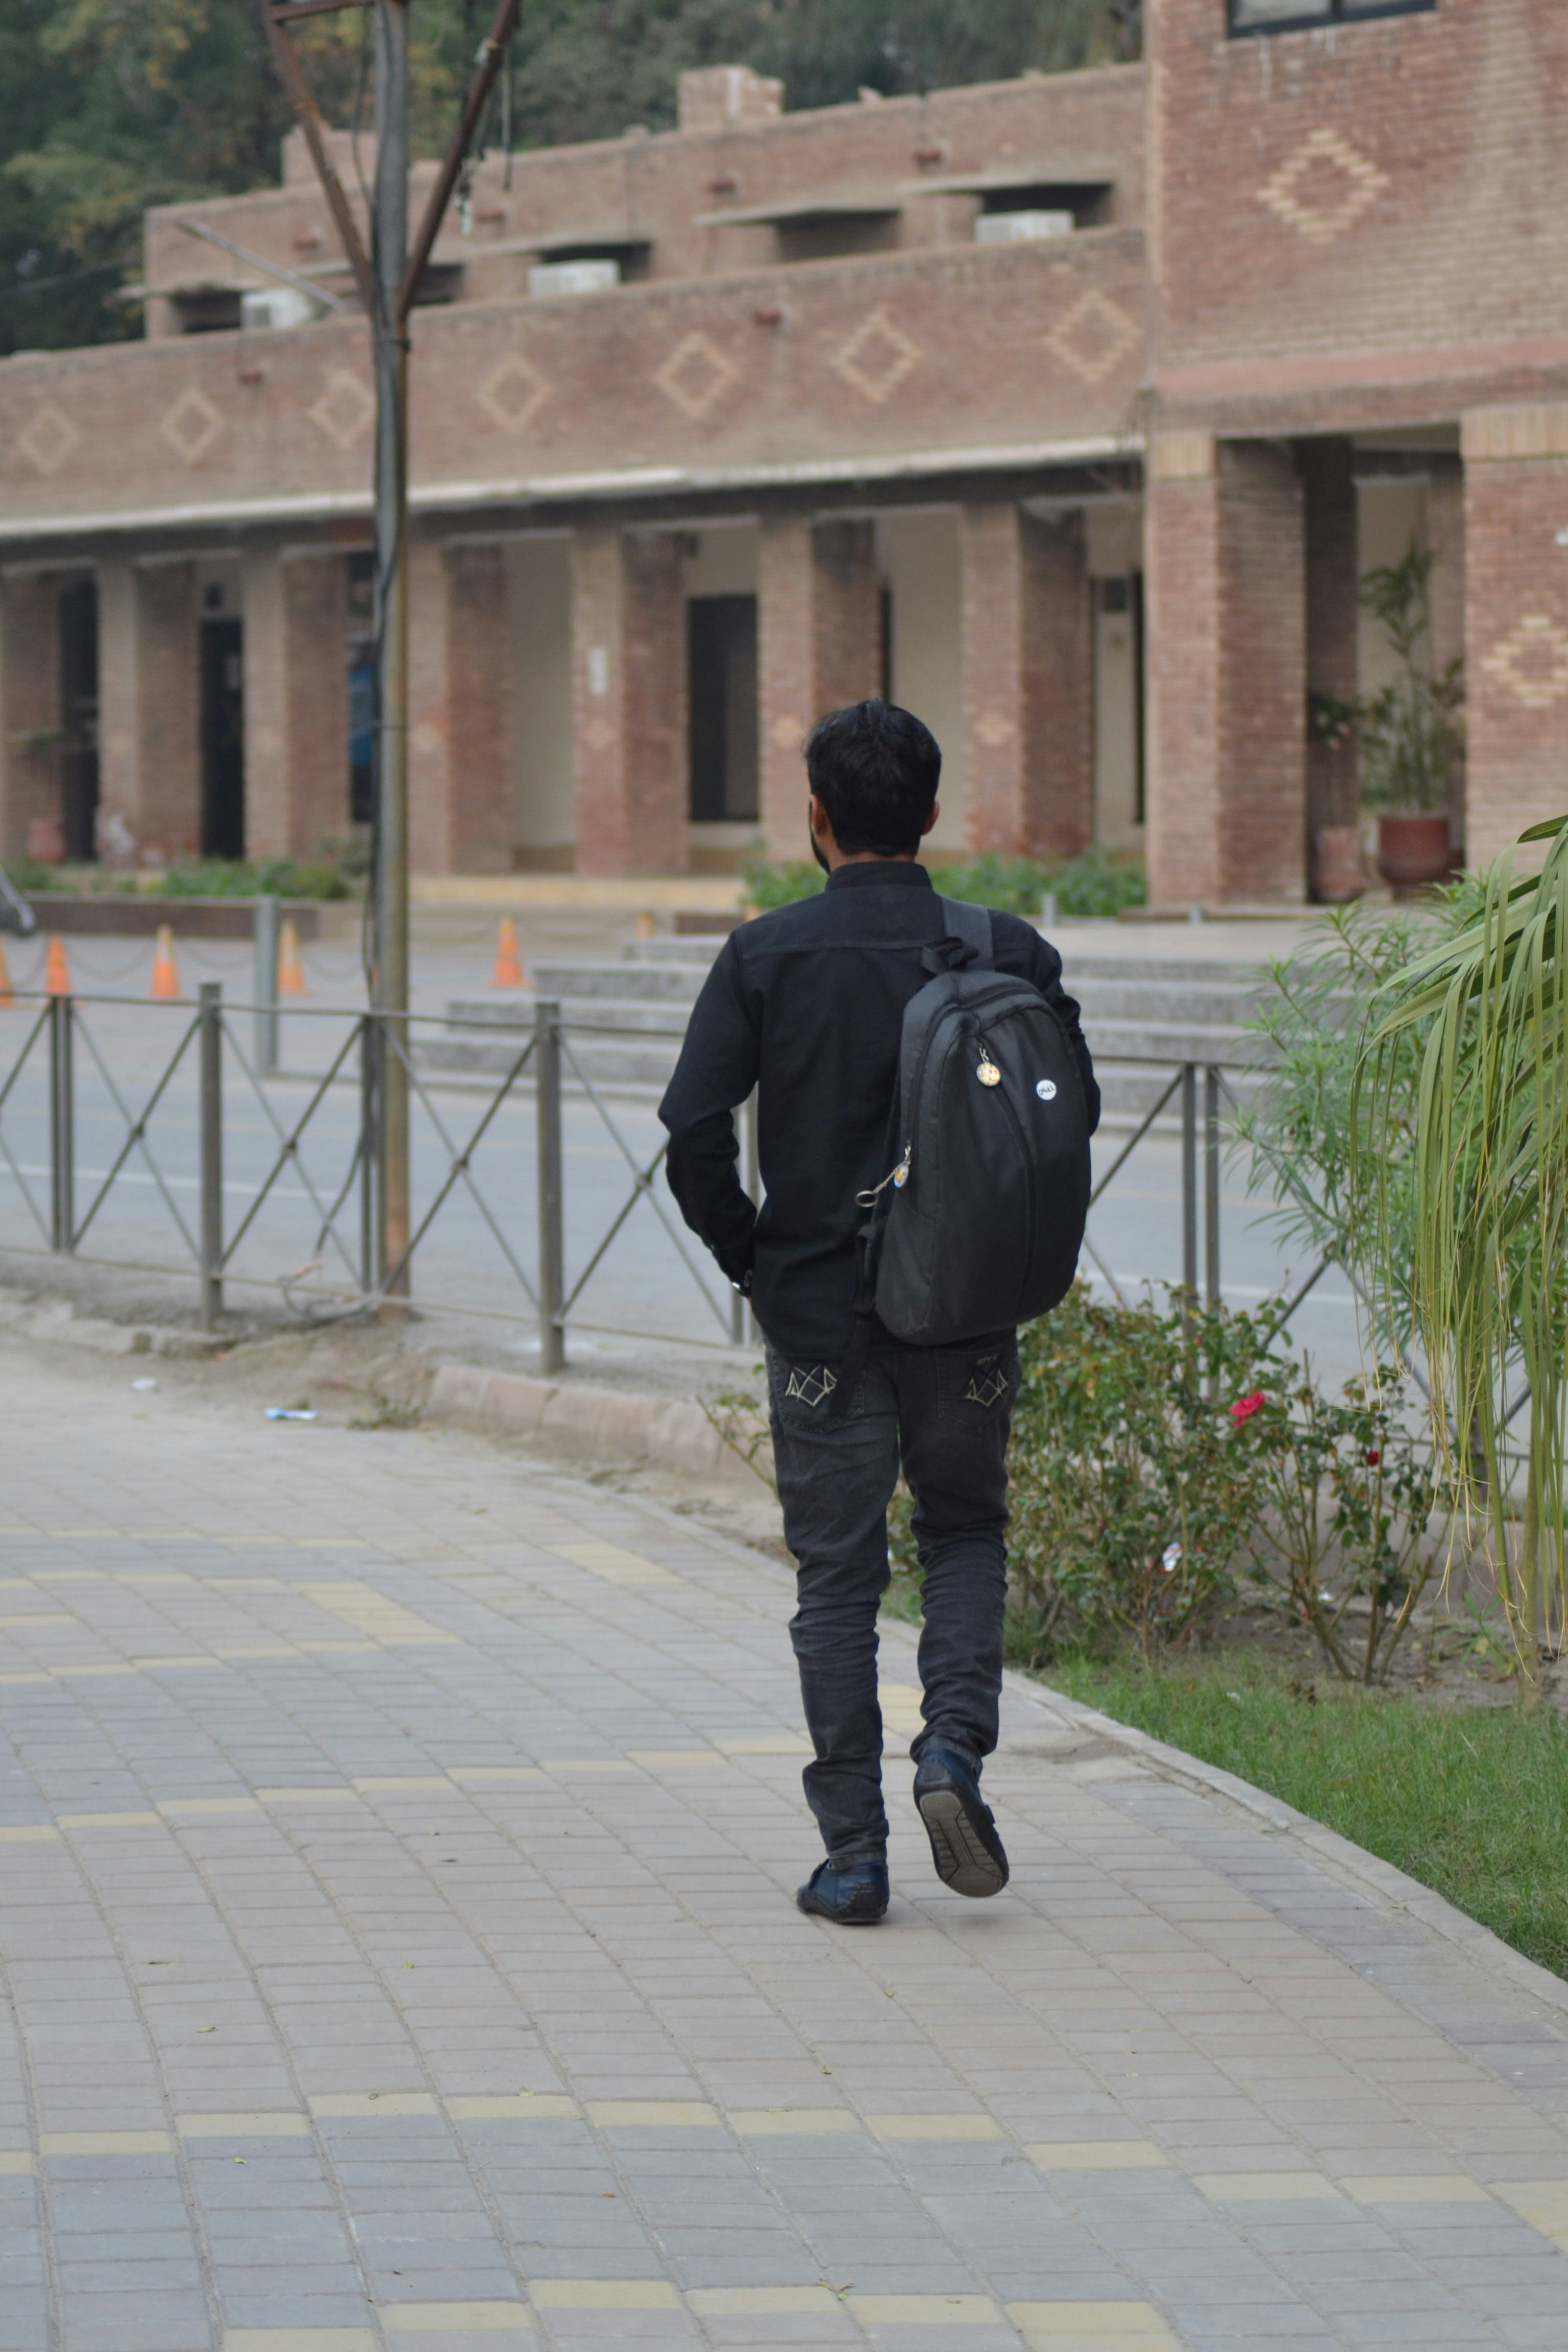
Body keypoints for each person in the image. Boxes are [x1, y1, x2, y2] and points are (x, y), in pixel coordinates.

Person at [659, 699, 1099, 1925]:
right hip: (963, 1314)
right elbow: (1070, 1124)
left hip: (819, 1326)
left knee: (838, 1583)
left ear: (817, 817)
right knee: (963, 1536)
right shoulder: (1002, 950)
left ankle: (854, 1857)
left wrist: (759, 1261)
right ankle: (952, 1754)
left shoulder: (764, 955)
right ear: (932, 815)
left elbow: (693, 1134)